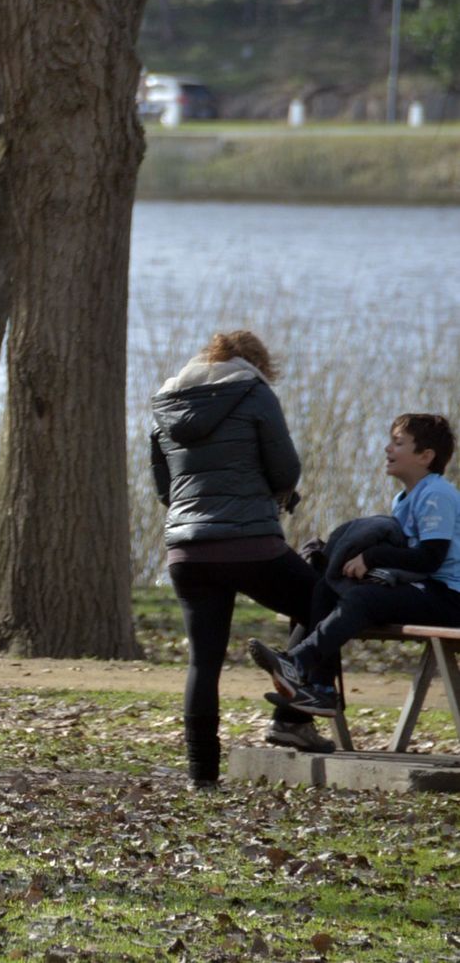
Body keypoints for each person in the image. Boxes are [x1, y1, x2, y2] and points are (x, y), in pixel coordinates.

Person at [149, 331, 327, 790]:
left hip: (186, 550)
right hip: (250, 543)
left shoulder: (166, 403)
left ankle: (201, 776)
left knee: (203, 662)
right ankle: (291, 715)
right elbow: (286, 470)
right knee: (320, 602)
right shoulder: (254, 392)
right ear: (258, 364)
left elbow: (167, 489)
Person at [250, 413, 460, 716]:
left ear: (426, 456)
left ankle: (296, 661)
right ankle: (321, 689)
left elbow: (430, 558)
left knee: (363, 598)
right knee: (325, 588)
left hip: (448, 598)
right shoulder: (405, 498)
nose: (387, 448)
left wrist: (371, 558)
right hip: (422, 588)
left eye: (398, 443)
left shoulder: (436, 494)